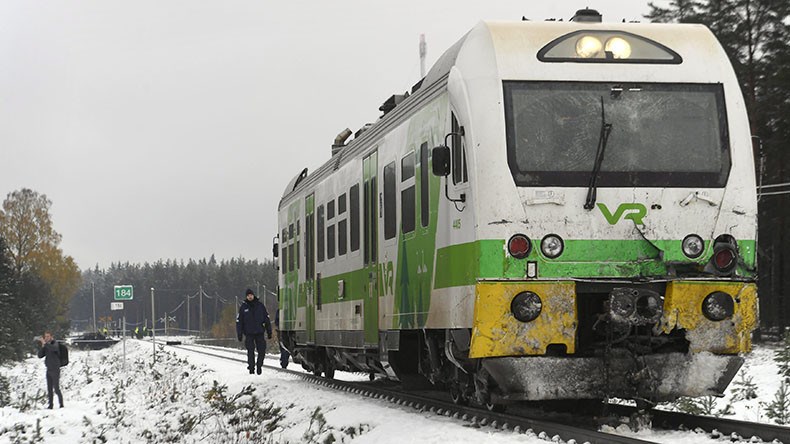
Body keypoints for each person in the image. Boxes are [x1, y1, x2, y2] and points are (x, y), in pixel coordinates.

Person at [236, 288, 272, 374]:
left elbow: (266, 319)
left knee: (262, 350)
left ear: (253, 295)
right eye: (248, 296)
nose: (250, 297)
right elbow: (239, 322)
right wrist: (239, 333)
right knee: (250, 351)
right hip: (249, 333)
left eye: (251, 295)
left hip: (259, 332)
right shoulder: (243, 308)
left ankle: (259, 365)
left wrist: (269, 331)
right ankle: (251, 368)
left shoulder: (260, 306)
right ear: (246, 297)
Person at [37, 331, 64, 409]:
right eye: (45, 337)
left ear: (52, 337)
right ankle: (50, 405)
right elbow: (40, 355)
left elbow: (54, 349)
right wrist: (43, 346)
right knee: (49, 388)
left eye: (48, 336)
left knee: (56, 388)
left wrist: (45, 344)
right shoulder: (46, 346)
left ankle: (61, 404)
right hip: (48, 369)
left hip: (55, 369)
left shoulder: (55, 343)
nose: (46, 338)